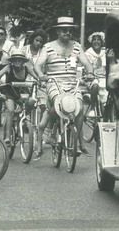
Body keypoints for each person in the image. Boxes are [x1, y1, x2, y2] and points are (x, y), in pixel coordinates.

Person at [34, 16, 94, 158]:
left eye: (70, 30)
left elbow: (88, 64)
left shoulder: (77, 47)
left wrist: (90, 73)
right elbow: (37, 65)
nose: (67, 33)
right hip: (54, 83)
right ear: (58, 31)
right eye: (64, 30)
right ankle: (49, 127)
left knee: (79, 107)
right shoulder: (47, 47)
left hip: (73, 84)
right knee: (58, 103)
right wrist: (41, 75)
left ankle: (79, 142)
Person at [0, 48, 38, 147]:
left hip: (22, 91)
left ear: (23, 61)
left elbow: (36, 77)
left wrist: (40, 81)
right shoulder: (8, 67)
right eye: (15, 60)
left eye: (19, 60)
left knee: (31, 101)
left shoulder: (27, 68)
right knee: (11, 110)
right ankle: (8, 136)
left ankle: (26, 119)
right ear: (12, 61)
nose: (17, 62)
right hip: (9, 91)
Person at [20, 29, 47, 160]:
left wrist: (42, 78)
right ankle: (26, 118)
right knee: (30, 102)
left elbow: (44, 66)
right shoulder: (24, 50)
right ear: (32, 40)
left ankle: (42, 128)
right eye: (36, 40)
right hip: (26, 81)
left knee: (44, 104)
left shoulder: (44, 51)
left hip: (40, 81)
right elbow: (24, 65)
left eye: (41, 42)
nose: (38, 43)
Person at [85, 32, 108, 105]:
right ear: (91, 42)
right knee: (95, 86)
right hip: (92, 78)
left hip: (104, 77)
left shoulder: (105, 53)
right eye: (94, 40)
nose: (96, 42)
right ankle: (93, 105)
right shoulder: (88, 53)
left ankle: (107, 109)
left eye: (98, 40)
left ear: (102, 42)